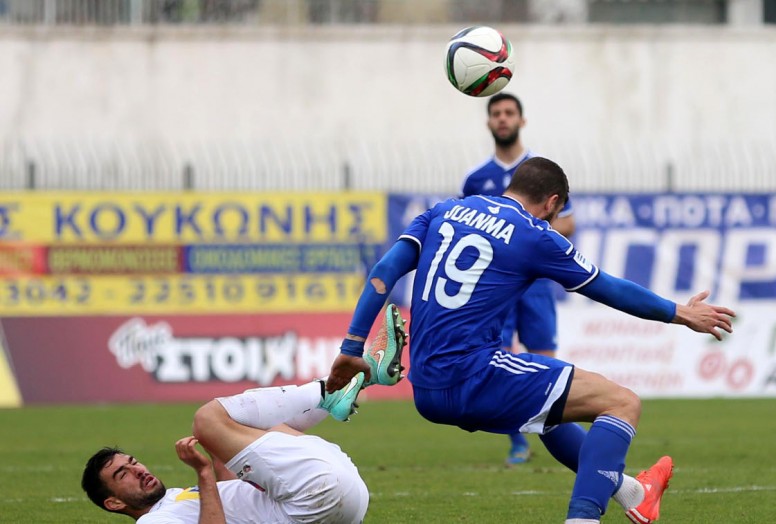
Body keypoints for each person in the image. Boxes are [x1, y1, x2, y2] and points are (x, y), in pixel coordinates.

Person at [327, 158, 736, 523]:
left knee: (550, 416)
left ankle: (634, 494)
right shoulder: (534, 234)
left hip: (427, 388)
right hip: (474, 374)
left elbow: (383, 272)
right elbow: (607, 287)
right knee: (622, 403)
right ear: (553, 202)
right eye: (556, 213)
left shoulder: (443, 210)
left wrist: (351, 349)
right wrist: (680, 313)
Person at [82, 306, 408, 524]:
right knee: (207, 420)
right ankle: (337, 388)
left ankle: (353, 382)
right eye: (122, 474)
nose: (137, 470)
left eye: (132, 462)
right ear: (114, 503)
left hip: (338, 503)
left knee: (241, 426)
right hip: (312, 499)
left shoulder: (174, 500)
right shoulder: (155, 520)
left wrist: (218, 452)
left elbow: (240, 500)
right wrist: (203, 472)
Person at [461, 91, 575, 465]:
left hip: (536, 284)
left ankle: (554, 436)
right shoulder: (477, 179)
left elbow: (568, 223)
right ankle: (517, 443)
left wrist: (525, 236)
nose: (503, 118)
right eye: (497, 113)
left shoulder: (541, 172)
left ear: (521, 120)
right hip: (496, 286)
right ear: (488, 122)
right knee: (499, 359)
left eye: (509, 112)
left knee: (545, 360)